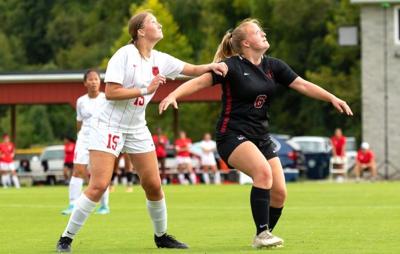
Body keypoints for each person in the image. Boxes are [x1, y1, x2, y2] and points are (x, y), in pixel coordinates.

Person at [159, 18, 353, 248]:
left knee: (279, 193)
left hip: (260, 136)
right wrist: (173, 95)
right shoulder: (230, 66)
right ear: (246, 43)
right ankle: (262, 235)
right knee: (263, 173)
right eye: (257, 32)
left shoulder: (274, 66)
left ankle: (264, 234)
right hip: (232, 135)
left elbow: (303, 85)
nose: (263, 34)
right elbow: (199, 83)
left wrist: (332, 97)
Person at [56, 11, 227, 252]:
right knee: (99, 185)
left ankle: (162, 236)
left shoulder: (160, 59)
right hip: (108, 125)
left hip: (136, 127)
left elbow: (192, 69)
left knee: (154, 184)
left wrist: (213, 65)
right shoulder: (124, 55)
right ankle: (66, 239)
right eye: (153, 22)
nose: (158, 24)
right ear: (140, 31)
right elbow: (112, 92)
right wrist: (145, 89)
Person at [61, 69, 110, 215]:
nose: (94, 82)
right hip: (84, 138)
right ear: (85, 83)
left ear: (100, 82)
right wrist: (80, 136)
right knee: (78, 171)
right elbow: (79, 121)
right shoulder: (81, 101)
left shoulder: (106, 98)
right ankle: (72, 204)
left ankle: (104, 205)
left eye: (96, 79)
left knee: (99, 173)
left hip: (101, 138)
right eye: (90, 79)